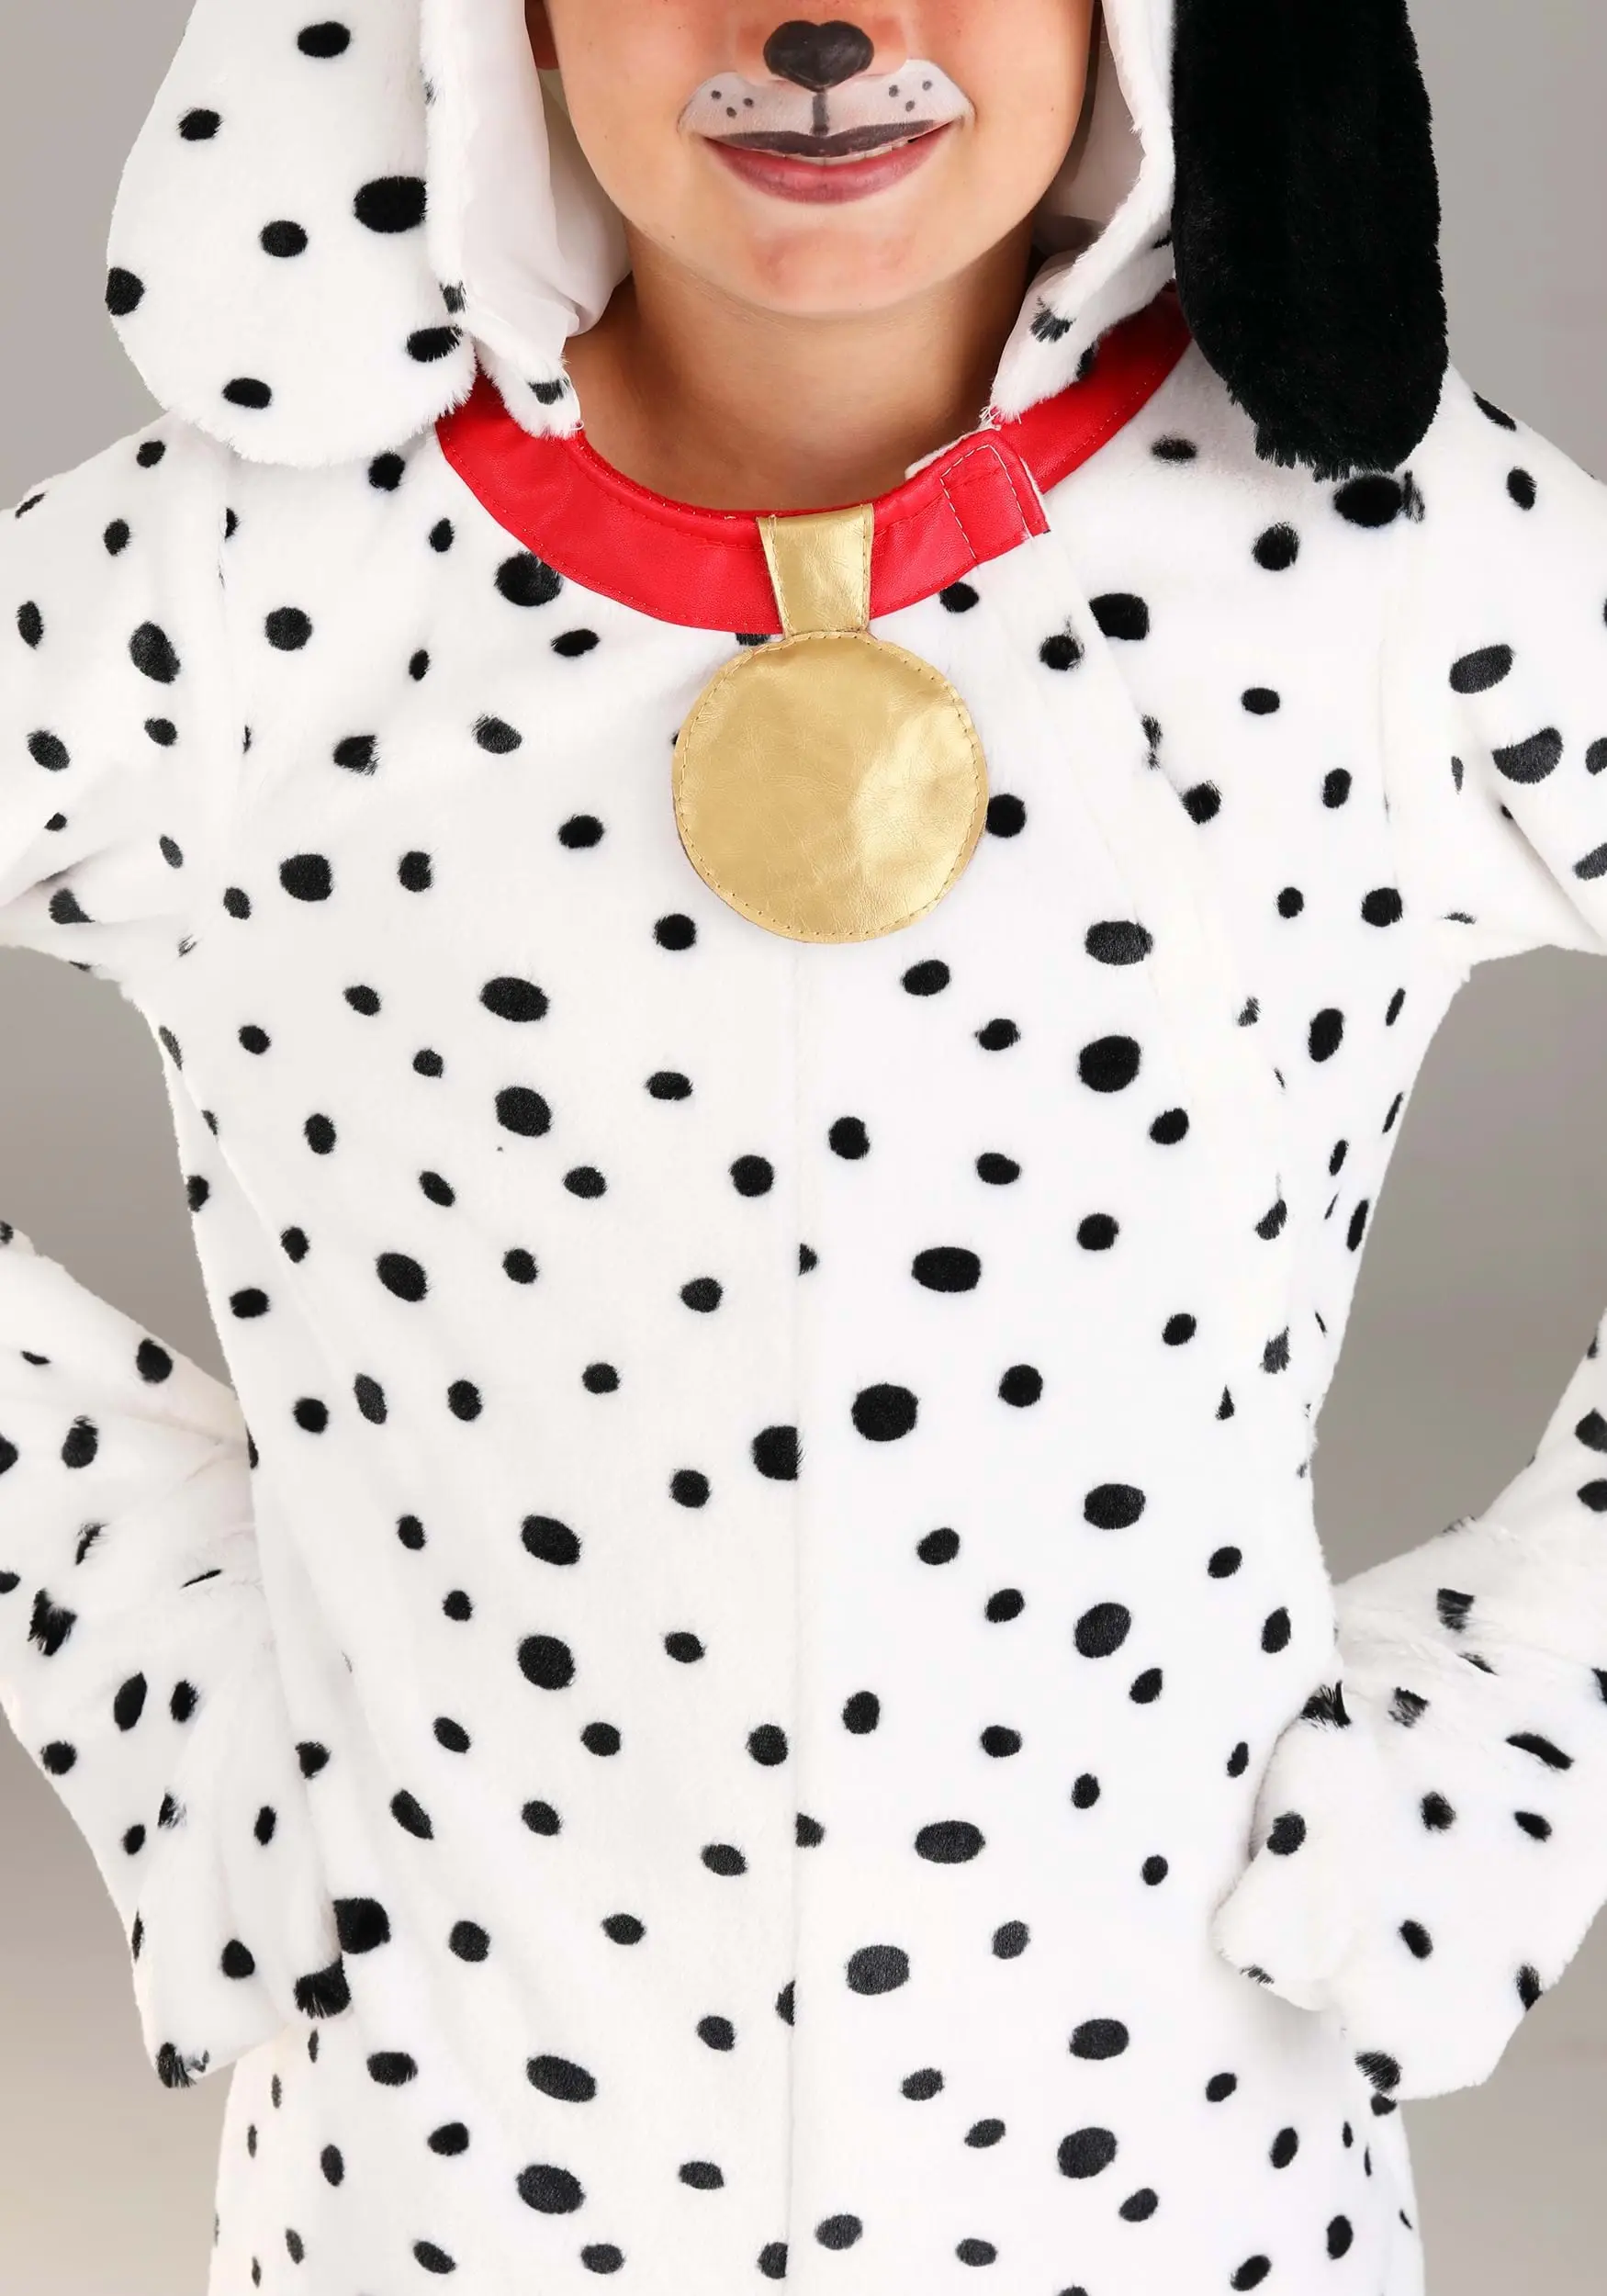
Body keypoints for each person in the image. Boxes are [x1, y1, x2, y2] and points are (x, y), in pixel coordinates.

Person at [2, 0, 1604, 2288]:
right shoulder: (227, 587)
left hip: (1177, 2184)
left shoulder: (1395, 563)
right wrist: (132, 1616)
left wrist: (1531, 1714)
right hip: (431, 2196)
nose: (824, 27)